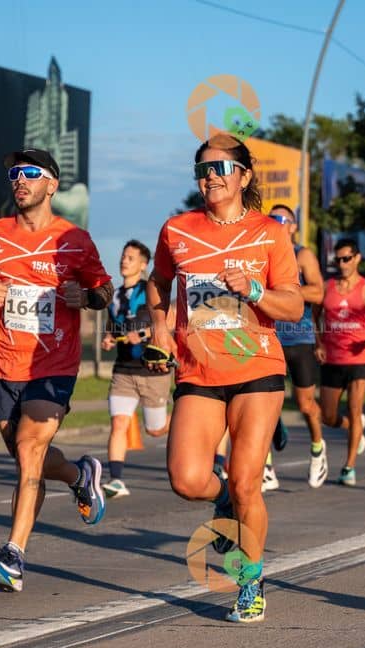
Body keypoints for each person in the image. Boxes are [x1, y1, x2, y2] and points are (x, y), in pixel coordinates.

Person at [147, 133, 302, 623]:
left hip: (257, 367)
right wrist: (160, 327)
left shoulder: (270, 233)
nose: (210, 177)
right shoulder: (177, 229)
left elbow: (293, 305)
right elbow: (158, 281)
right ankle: (222, 500)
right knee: (186, 478)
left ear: (244, 176)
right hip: (199, 370)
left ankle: (250, 584)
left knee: (247, 480)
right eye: (203, 170)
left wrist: (255, 289)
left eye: (220, 168)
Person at [0, 148, 113, 592]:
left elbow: (104, 289)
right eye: (14, 174)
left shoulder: (75, 240)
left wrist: (87, 299)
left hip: (54, 363)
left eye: (30, 173)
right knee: (27, 454)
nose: (19, 180)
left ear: (52, 184)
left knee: (29, 449)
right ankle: (80, 475)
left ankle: (13, 555)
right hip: (6, 362)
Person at [315, 238, 365, 486]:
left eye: (346, 258)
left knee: (354, 408)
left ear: (357, 258)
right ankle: (353, 427)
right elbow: (313, 318)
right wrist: (318, 344)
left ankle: (348, 467)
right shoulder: (326, 287)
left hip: (359, 359)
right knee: (327, 417)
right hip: (332, 359)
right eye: (338, 259)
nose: (342, 264)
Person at [100, 240, 172, 498]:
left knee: (155, 429)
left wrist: (141, 334)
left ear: (143, 265)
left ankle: (185, 418)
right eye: (123, 256)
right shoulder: (115, 296)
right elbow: (113, 326)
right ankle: (116, 480)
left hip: (152, 370)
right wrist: (109, 338)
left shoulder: (150, 292)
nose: (124, 260)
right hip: (123, 371)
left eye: (130, 258)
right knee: (119, 422)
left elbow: (167, 323)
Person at [266, 204, 328, 490]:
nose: (276, 223)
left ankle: (317, 448)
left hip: (300, 337)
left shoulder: (302, 255)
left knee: (305, 404)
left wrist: (286, 291)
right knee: (265, 403)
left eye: (282, 219)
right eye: (271, 219)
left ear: (292, 227)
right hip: (270, 338)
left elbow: (318, 292)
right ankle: (266, 466)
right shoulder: (262, 254)